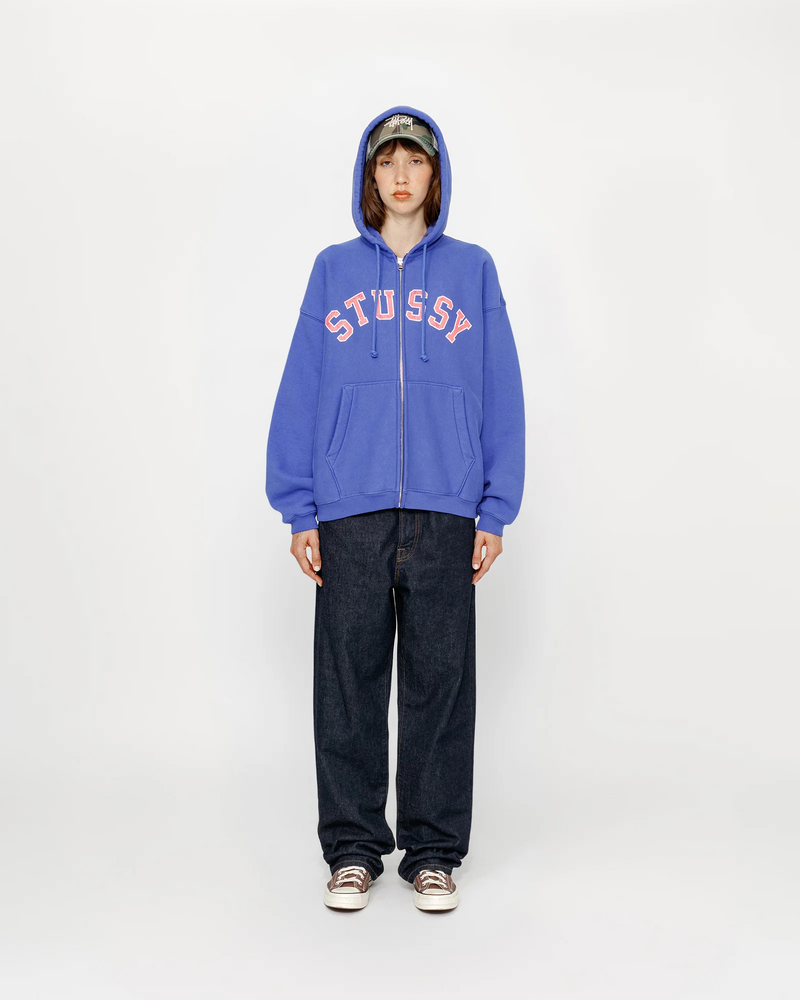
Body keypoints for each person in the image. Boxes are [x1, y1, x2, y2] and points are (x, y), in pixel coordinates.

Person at [265, 105, 525, 912]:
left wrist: (495, 508)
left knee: (440, 682)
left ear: (434, 174)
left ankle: (433, 853)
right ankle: (352, 850)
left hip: (447, 508)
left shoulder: (473, 270)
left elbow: (501, 389)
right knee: (348, 682)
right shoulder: (334, 270)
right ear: (369, 175)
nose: (401, 175)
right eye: (388, 162)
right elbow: (302, 387)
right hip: (349, 510)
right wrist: (300, 507)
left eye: (415, 160)